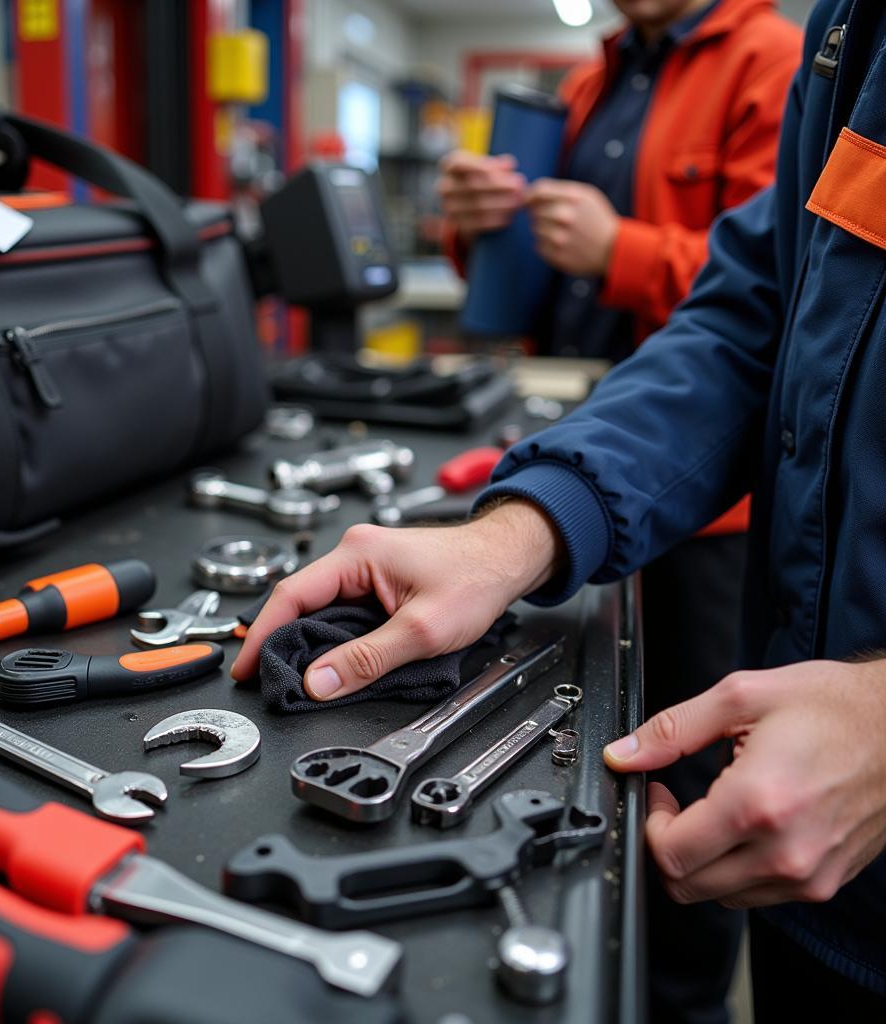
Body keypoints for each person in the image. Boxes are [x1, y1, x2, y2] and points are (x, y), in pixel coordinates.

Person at [233, 0, 886, 1017]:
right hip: (814, 843)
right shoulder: (845, 31)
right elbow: (760, 314)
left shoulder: (760, 51)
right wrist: (522, 526)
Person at [439, 3, 800, 1020]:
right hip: (580, 445)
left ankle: (677, 996)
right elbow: (528, 284)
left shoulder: (771, 63)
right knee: (589, 753)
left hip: (701, 515)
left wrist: (622, 249)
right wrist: (477, 233)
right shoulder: (593, 80)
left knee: (683, 782)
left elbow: (764, 309)